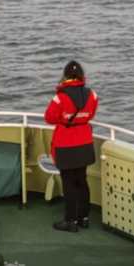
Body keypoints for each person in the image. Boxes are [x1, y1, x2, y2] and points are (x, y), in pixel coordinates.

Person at [44, 60, 99, 232]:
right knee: (82, 180)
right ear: (81, 75)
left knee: (68, 183)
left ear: (65, 75)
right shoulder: (92, 95)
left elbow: (49, 118)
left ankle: (70, 221)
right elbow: (91, 114)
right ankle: (84, 218)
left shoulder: (60, 97)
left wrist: (64, 119)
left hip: (66, 144)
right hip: (84, 142)